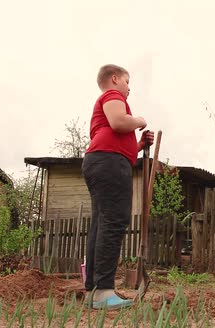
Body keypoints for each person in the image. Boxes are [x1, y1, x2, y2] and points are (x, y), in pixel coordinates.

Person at [82, 64, 154, 310]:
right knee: (113, 221)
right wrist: (139, 120)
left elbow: (124, 150)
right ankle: (103, 291)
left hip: (104, 161)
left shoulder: (107, 104)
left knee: (102, 224)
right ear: (114, 78)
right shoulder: (113, 96)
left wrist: (140, 142)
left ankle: (94, 289)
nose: (128, 87)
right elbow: (118, 122)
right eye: (126, 81)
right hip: (107, 162)